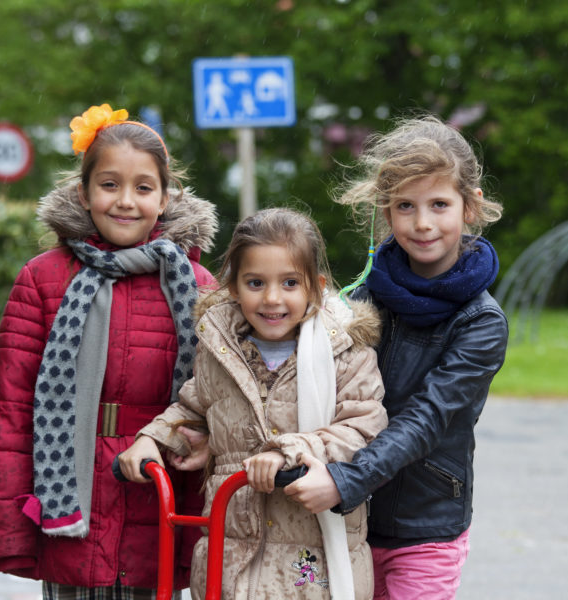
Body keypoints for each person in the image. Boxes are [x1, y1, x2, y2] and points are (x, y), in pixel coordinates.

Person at [0, 103, 218, 599]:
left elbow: (217, 398)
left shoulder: (197, 287)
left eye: (143, 187)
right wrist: (6, 523)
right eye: (109, 184)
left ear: (165, 197)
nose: (125, 201)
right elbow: (9, 409)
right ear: (85, 193)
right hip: (71, 502)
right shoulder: (44, 279)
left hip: (159, 496)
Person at [284, 115, 509, 600]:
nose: (422, 222)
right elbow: (309, 381)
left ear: (470, 209)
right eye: (405, 205)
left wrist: (346, 481)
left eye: (439, 204)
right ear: (385, 212)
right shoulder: (362, 297)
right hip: (344, 521)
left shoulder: (481, 322)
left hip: (424, 527)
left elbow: (425, 420)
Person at [119, 207, 388, 599]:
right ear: (234, 287)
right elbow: (195, 407)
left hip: (311, 561)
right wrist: (154, 438)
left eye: (290, 283)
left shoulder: (344, 352)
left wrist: (290, 452)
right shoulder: (220, 348)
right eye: (256, 282)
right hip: (232, 552)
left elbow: (363, 428)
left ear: (315, 286)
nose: (273, 298)